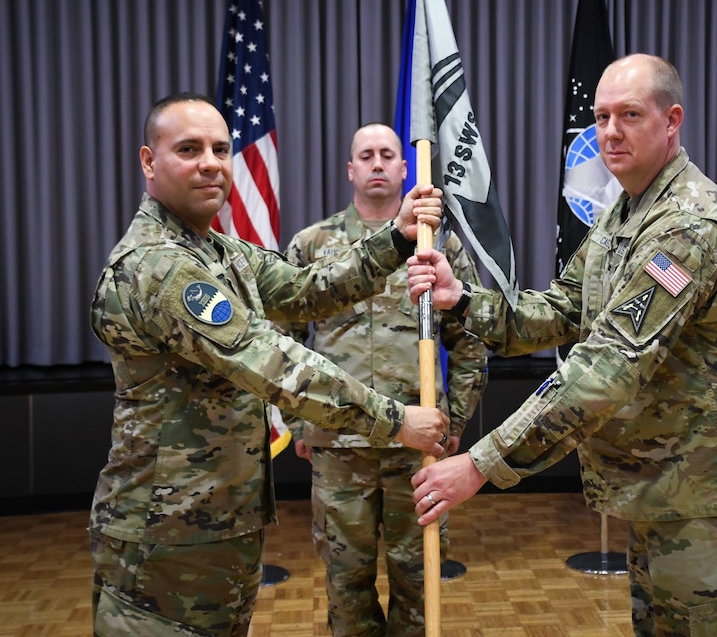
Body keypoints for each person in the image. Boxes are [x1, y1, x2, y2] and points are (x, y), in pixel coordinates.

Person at [407, 54, 717, 636]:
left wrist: (482, 464)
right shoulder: (625, 214)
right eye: (601, 117)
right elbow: (563, 309)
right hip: (663, 497)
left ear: (672, 120)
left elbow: (606, 367)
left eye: (630, 115)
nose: (610, 132)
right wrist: (461, 299)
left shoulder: (689, 226)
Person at [88, 92, 450, 636]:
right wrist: (397, 420)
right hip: (165, 533)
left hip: (216, 519)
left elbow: (307, 290)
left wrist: (395, 240)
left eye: (219, 148)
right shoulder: (161, 267)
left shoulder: (221, 251)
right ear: (149, 161)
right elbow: (274, 363)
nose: (210, 163)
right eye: (188, 149)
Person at [282, 123, 488, 636]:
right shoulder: (312, 245)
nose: (377, 163)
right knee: (344, 585)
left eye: (387, 154)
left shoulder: (438, 247)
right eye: (366, 155)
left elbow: (472, 338)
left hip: (416, 451)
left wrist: (456, 419)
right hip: (338, 447)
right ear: (351, 169)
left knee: (419, 583)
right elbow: (278, 338)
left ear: (404, 168)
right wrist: (296, 420)